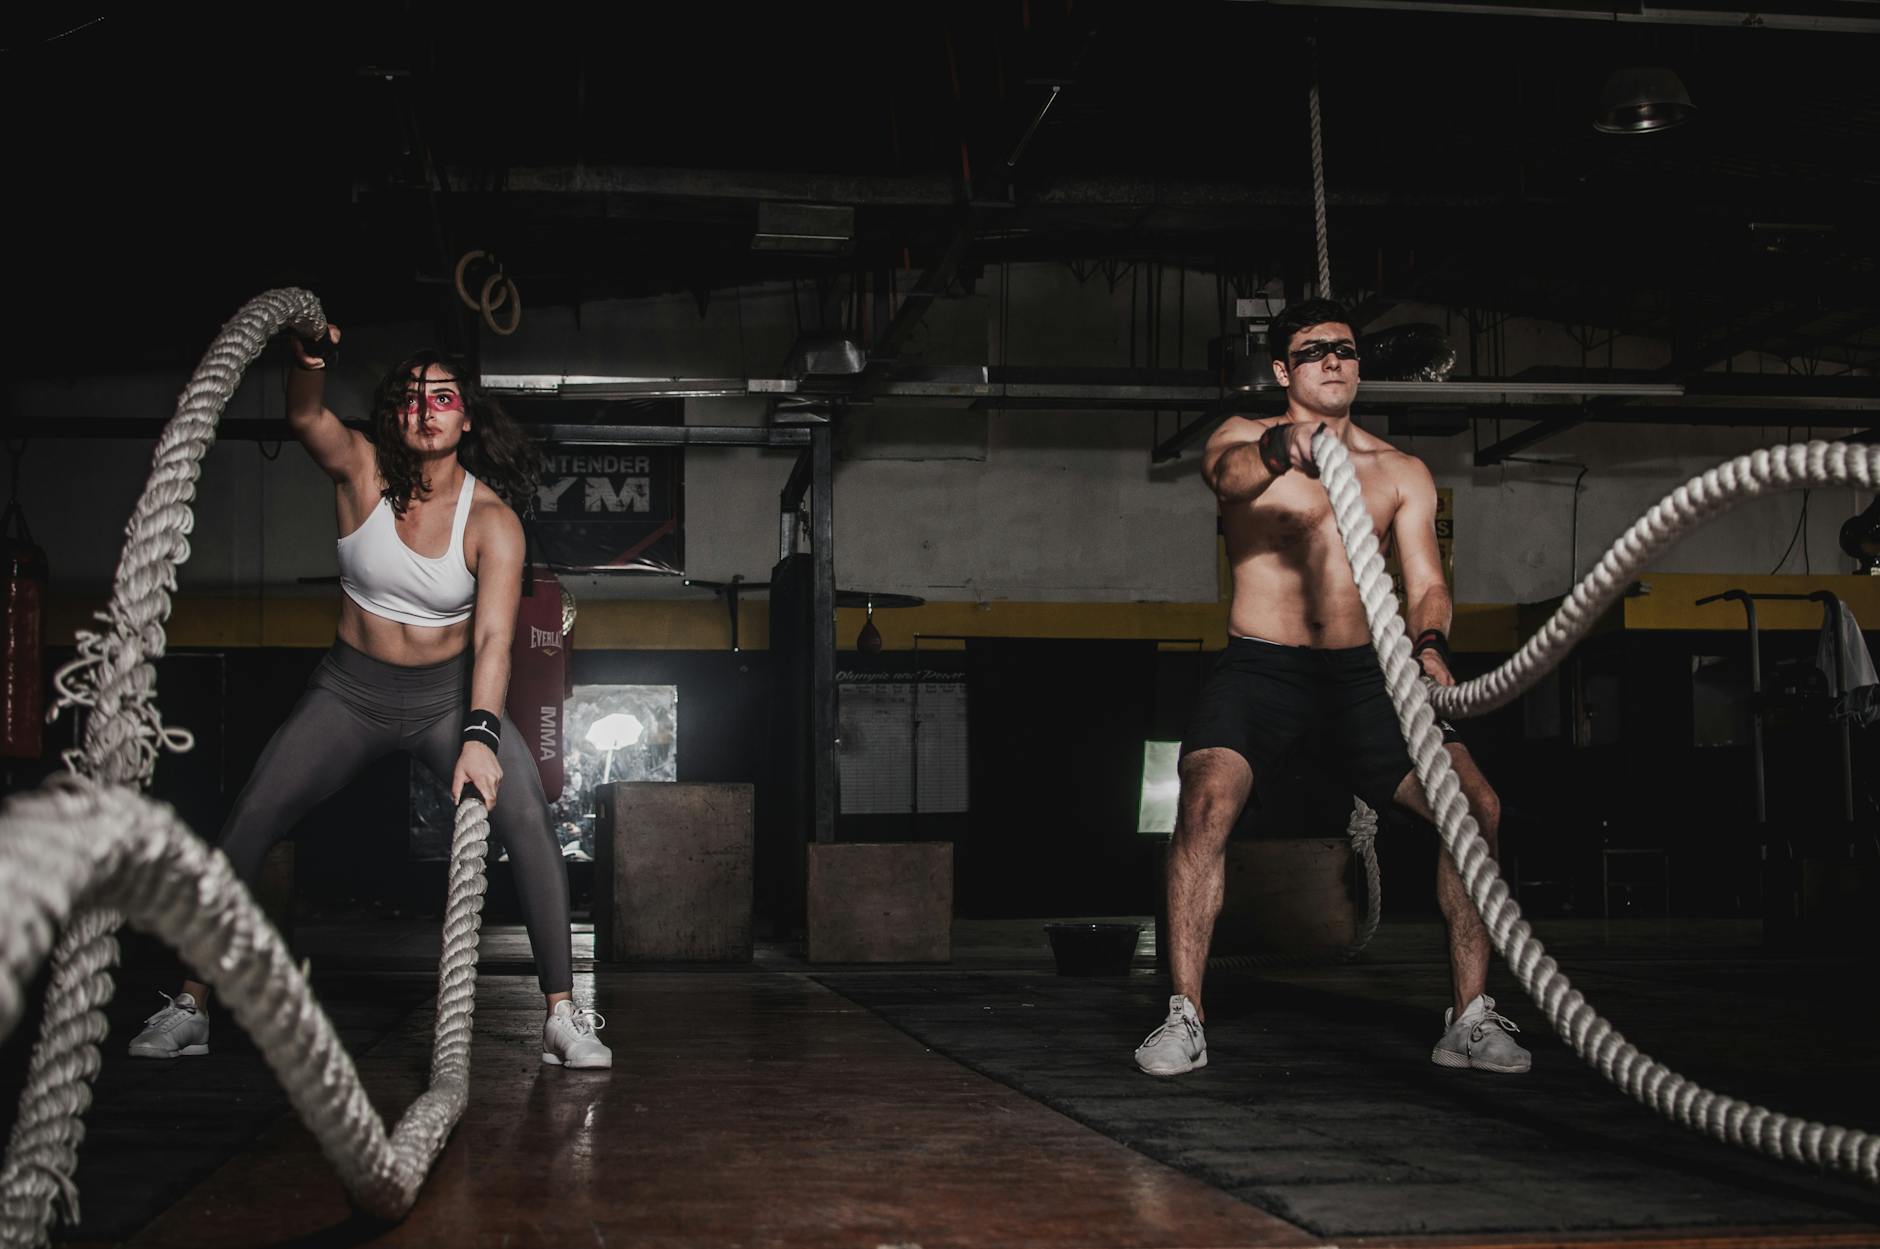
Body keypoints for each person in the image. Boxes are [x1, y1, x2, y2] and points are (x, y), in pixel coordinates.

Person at [128, 324, 610, 1070]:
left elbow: (492, 642)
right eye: (412, 398)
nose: (426, 409)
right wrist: (309, 360)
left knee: (529, 820)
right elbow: (305, 417)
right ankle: (191, 1003)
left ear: (466, 418)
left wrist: (481, 733)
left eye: (442, 397)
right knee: (252, 814)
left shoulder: (492, 522)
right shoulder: (360, 469)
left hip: (449, 698)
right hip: (349, 691)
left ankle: (562, 1014)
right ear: (397, 414)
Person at [1134, 298, 1528, 1079]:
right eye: (1313, 351)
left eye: (1344, 350)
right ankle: (1185, 1014)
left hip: (1364, 679)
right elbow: (1228, 475)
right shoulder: (1244, 441)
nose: (1334, 362)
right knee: (1205, 800)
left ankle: (1470, 1017)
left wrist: (1430, 646)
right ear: (1284, 370)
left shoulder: (1401, 471)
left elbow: (1426, 584)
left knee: (1476, 809)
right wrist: (1291, 447)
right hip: (1261, 669)